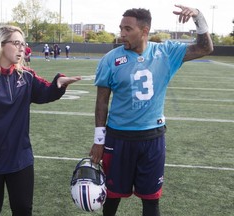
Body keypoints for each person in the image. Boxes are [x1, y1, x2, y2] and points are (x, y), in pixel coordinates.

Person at [89, 5, 213, 216]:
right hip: (118, 138)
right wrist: (99, 141)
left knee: (151, 200)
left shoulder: (165, 52)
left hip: (152, 138)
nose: (122, 34)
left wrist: (198, 17)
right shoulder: (110, 59)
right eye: (121, 28)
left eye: (128, 29)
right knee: (112, 198)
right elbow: (102, 102)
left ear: (144, 31)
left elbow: (205, 47)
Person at [0, 25, 81, 216]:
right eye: (16, 43)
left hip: (20, 157)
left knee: (23, 209)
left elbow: (44, 92)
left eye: (23, 44)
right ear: (0, 45)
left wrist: (57, 85)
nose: (22, 49)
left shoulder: (25, 75)